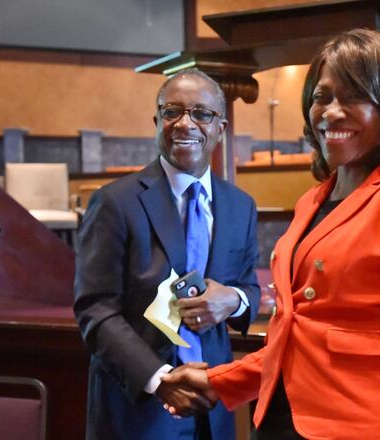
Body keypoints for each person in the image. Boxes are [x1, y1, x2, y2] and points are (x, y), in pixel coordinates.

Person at [161, 29, 380, 440]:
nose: (330, 112)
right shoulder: (314, 200)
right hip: (278, 421)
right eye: (322, 97)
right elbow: (300, 336)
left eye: (354, 96)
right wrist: (221, 381)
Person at [74, 68, 261, 440]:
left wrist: (235, 301)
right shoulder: (115, 202)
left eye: (201, 114)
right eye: (172, 112)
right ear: (157, 121)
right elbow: (95, 309)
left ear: (220, 129)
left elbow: (249, 289)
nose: (185, 124)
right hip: (139, 408)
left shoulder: (241, 206)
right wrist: (159, 380)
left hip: (212, 403)